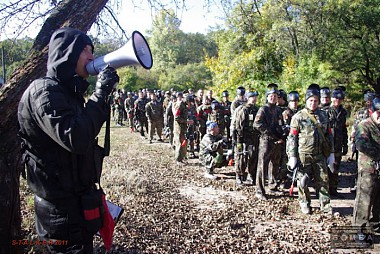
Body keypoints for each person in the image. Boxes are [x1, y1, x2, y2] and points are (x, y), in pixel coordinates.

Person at [17, 27, 120, 253]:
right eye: (85, 50)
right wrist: (100, 95)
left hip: (76, 203)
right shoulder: (43, 92)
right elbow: (76, 138)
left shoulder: (66, 93)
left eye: (92, 50)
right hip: (59, 213)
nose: (92, 56)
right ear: (67, 53)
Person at [287, 85, 334, 214]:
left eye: (315, 101)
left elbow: (329, 135)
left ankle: (325, 205)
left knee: (323, 181)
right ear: (306, 100)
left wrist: (332, 153)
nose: (313, 103)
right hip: (303, 155)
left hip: (320, 155)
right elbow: (292, 138)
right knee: (303, 182)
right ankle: (304, 203)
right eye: (310, 100)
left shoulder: (324, 116)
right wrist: (292, 156)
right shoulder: (298, 116)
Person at [352, 96, 380, 229]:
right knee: (364, 201)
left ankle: (376, 224)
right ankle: (360, 229)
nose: (379, 115)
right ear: (372, 111)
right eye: (377, 112)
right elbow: (362, 144)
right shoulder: (364, 125)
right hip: (368, 170)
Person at [253, 83, 284, 200]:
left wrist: (281, 136)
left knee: (275, 164)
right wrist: (269, 133)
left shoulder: (277, 110)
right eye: (271, 95)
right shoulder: (263, 109)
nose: (273, 97)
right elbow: (256, 124)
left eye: (275, 96)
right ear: (267, 97)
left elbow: (280, 124)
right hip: (266, 141)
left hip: (276, 141)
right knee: (262, 165)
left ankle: (273, 185)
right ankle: (259, 190)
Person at [234, 91, 260, 185]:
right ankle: (239, 175)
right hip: (244, 137)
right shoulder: (243, 110)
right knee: (242, 157)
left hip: (254, 137)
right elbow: (239, 126)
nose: (254, 99)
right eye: (252, 97)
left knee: (253, 157)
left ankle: (251, 175)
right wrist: (239, 139)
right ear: (248, 98)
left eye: (255, 97)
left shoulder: (256, 109)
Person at [329, 87, 348, 197]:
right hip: (328, 144)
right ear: (332, 98)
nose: (338, 100)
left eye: (340, 98)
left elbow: (344, 129)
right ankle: (324, 190)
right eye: (336, 98)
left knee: (336, 167)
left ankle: (333, 189)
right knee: (327, 167)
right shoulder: (326, 111)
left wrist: (345, 144)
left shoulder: (343, 112)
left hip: (338, 143)